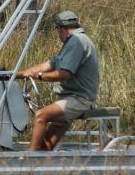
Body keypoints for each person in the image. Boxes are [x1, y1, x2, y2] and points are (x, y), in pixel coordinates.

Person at [18, 10, 99, 151]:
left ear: (61, 28)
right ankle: (39, 163)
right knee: (45, 147)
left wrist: (40, 76)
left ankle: (28, 160)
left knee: (41, 115)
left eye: (57, 30)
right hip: (67, 99)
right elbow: (47, 65)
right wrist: (14, 75)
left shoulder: (77, 42)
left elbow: (65, 74)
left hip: (79, 100)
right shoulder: (70, 44)